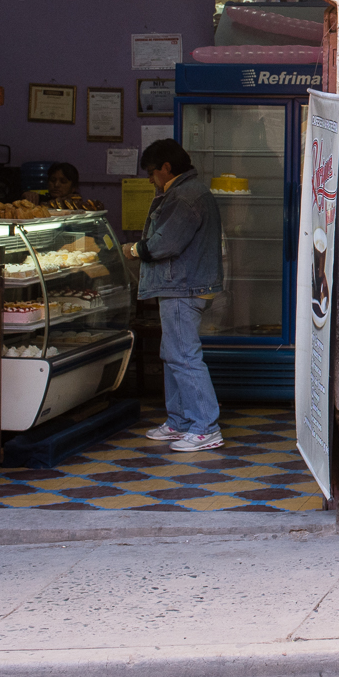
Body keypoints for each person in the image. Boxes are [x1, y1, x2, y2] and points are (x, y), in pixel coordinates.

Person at [125, 139, 224, 452]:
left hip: (184, 286)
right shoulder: (186, 192)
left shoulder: (185, 196)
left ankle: (205, 427)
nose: (151, 179)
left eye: (152, 173)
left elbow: (163, 244)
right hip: (181, 285)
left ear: (166, 168)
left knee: (183, 356)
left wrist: (134, 249)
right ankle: (179, 421)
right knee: (172, 355)